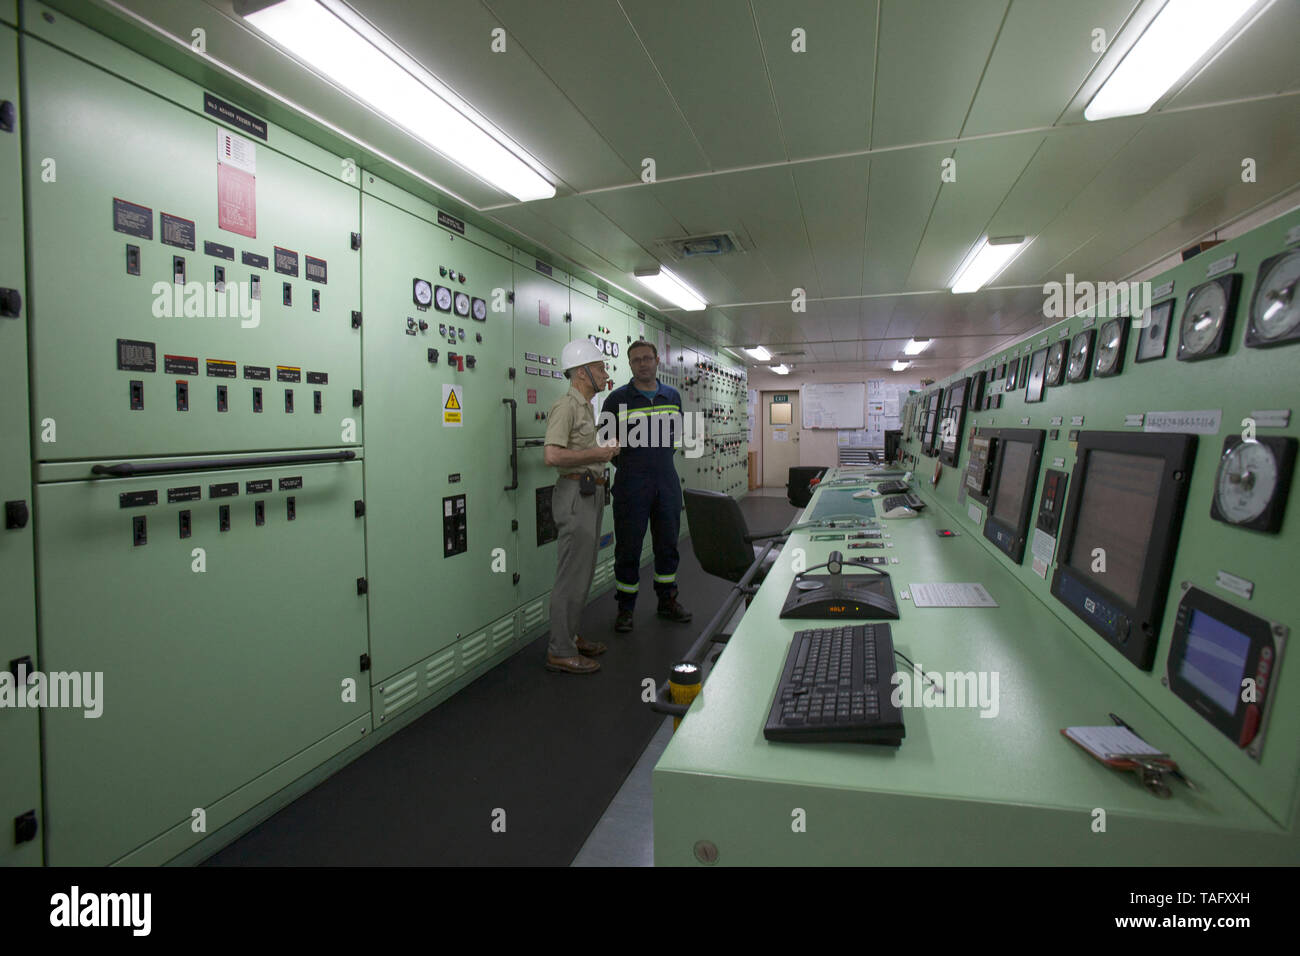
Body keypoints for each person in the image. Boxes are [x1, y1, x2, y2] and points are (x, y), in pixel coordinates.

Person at [602, 340, 692, 633]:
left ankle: (667, 600)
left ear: (656, 361)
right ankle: (625, 609)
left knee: (668, 544)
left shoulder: (673, 396)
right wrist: (634, 469)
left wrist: (656, 465)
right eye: (636, 360)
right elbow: (606, 444)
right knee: (628, 549)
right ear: (630, 365)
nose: (642, 364)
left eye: (646, 358)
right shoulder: (616, 400)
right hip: (631, 485)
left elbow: (675, 441)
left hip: (666, 481)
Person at [542, 339, 619, 674]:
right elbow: (552, 455)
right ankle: (560, 650)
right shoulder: (566, 406)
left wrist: (603, 452)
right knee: (570, 577)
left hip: (591, 492)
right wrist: (597, 454)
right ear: (581, 373)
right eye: (600, 367)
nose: (605, 372)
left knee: (583, 573)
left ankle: (570, 636)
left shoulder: (587, 406)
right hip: (574, 494)